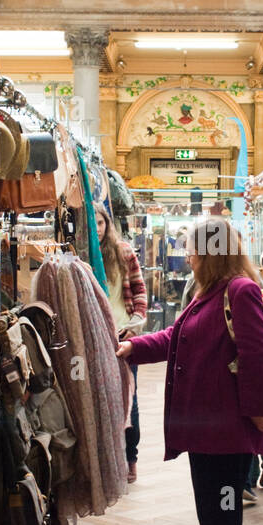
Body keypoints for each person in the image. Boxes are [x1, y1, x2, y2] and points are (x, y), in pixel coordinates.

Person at [118, 216, 263, 525]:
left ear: (211, 252)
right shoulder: (211, 292)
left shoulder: (240, 292)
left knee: (221, 518)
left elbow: (259, 354)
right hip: (209, 432)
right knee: (213, 515)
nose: (187, 257)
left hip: (226, 434)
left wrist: (258, 412)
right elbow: (174, 338)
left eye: (192, 249)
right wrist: (134, 346)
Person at [97, 205, 147, 482]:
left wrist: (136, 321)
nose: (99, 228)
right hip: (97, 336)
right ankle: (108, 458)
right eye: (94, 223)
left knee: (130, 398)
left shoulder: (124, 252)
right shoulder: (83, 256)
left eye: (102, 222)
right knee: (101, 398)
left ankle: (131, 458)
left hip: (124, 333)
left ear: (108, 223)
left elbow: (139, 289)